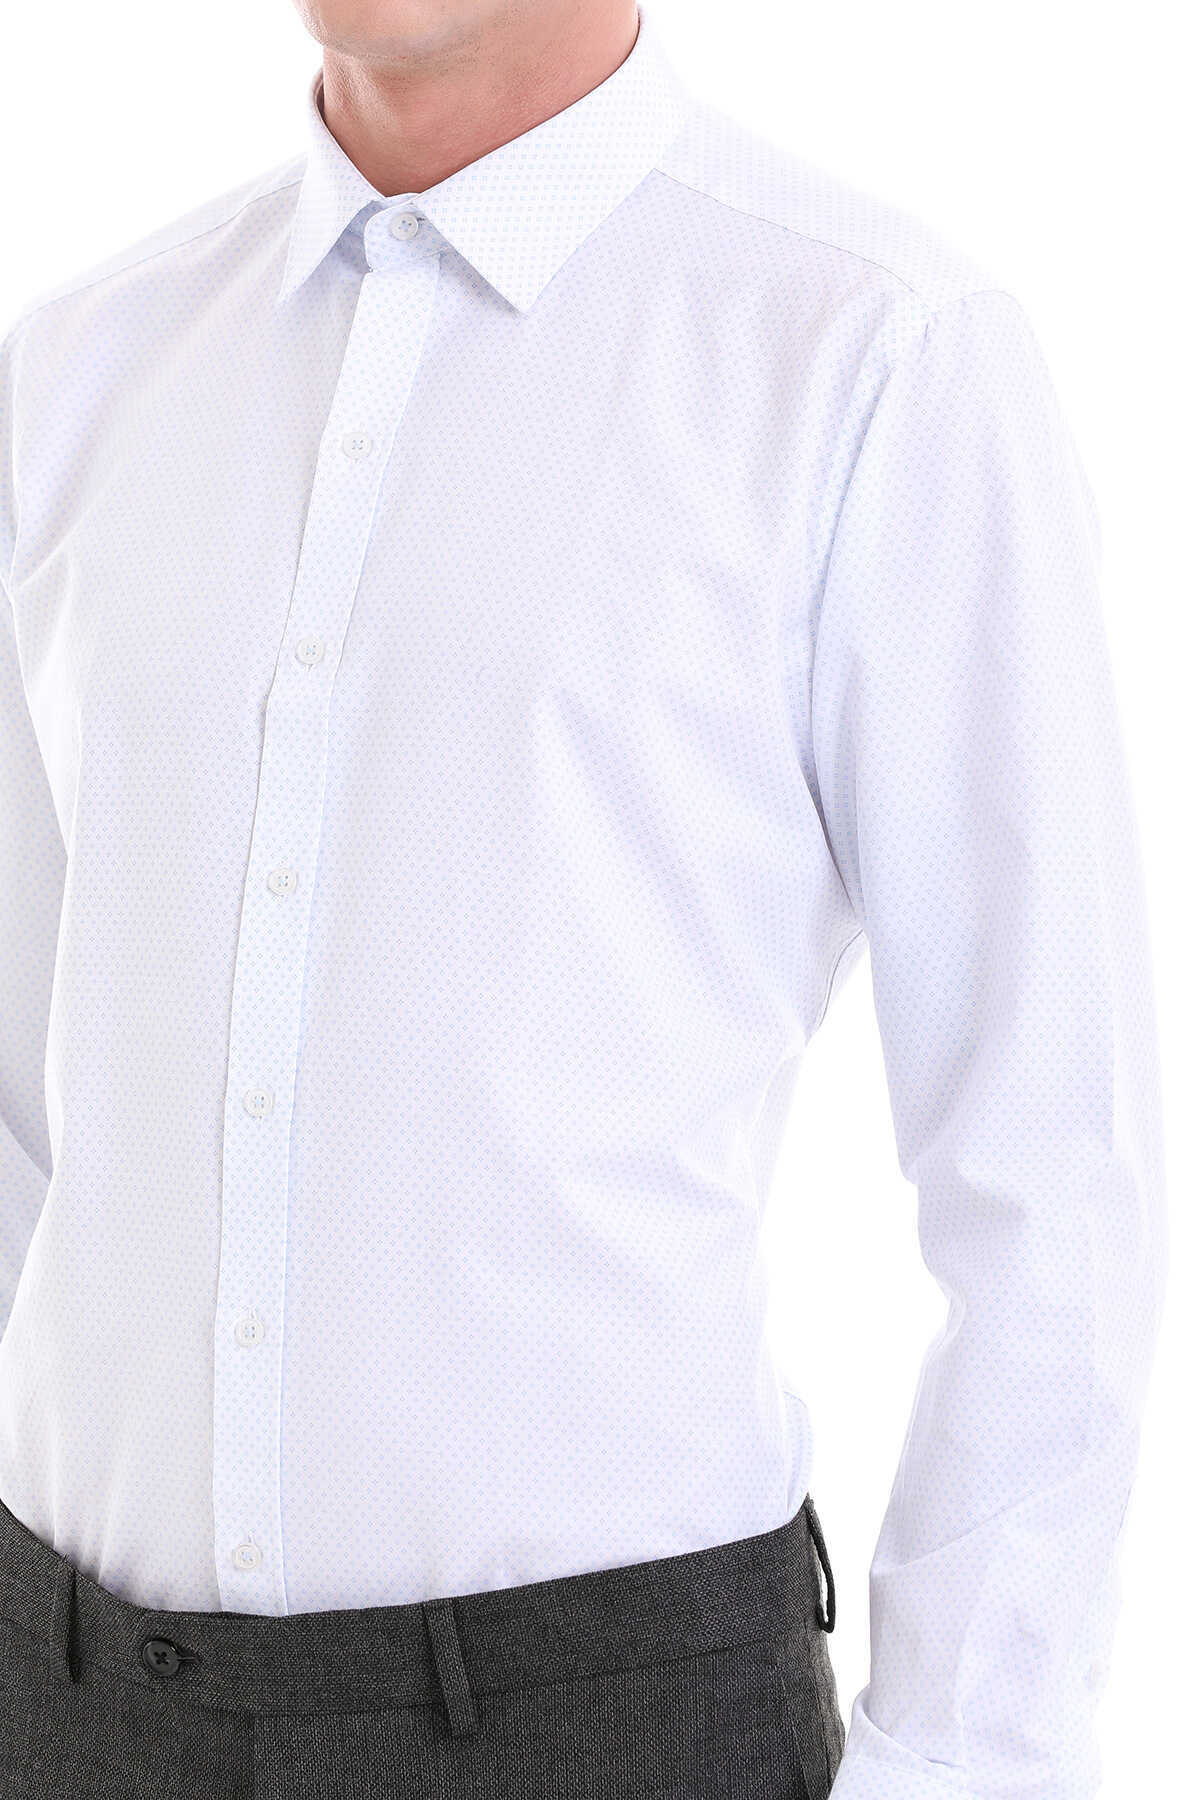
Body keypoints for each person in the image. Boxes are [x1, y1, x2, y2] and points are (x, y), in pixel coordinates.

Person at [0, 1, 1166, 1795]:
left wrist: (963, 1765)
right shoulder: (84, 364)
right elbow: (28, 1099)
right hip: (68, 1700)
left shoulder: (868, 350)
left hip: (598, 1727)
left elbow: (1051, 1161)